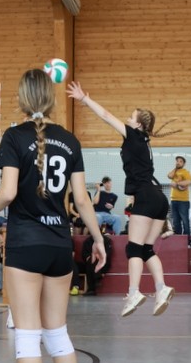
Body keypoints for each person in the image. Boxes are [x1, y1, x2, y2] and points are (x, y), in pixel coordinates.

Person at [0, 69, 106, 363]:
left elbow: (8, 193)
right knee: (57, 333)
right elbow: (82, 199)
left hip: (26, 246)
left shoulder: (14, 137)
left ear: (22, 99)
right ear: (50, 98)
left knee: (28, 336)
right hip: (60, 245)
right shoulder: (70, 140)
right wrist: (97, 238)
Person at [68, 80, 177, 317]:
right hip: (159, 197)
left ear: (138, 124)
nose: (127, 119)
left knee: (134, 248)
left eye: (131, 116)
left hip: (146, 196)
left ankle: (134, 292)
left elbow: (106, 116)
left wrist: (84, 99)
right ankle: (161, 288)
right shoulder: (144, 141)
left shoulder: (133, 135)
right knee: (146, 249)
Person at [167, 155, 191, 236]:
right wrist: (175, 168)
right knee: (176, 221)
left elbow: (189, 181)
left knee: (185, 221)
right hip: (173, 200)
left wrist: (177, 184)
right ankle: (178, 238)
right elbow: (169, 176)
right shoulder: (174, 172)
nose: (178, 162)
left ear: (183, 164)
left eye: (180, 161)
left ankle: (187, 239)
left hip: (183, 201)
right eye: (177, 161)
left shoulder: (185, 172)